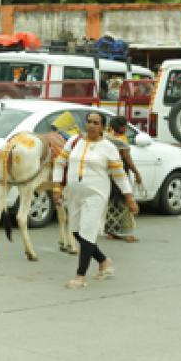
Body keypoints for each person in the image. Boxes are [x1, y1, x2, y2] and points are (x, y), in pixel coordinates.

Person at [53, 111, 138, 289]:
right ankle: (103, 260)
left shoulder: (108, 147)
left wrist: (129, 197)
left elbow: (119, 175)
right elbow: (60, 163)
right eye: (89, 122)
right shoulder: (74, 141)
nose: (91, 125)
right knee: (75, 231)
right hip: (74, 194)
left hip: (96, 194)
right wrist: (56, 187)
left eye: (96, 123)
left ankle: (80, 276)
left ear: (103, 127)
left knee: (88, 232)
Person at [105, 116, 143, 243]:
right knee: (125, 203)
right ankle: (126, 233)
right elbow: (127, 158)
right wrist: (136, 172)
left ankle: (111, 232)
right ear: (121, 127)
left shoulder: (108, 138)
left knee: (112, 203)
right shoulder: (121, 140)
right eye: (125, 126)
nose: (126, 128)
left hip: (108, 174)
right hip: (120, 173)